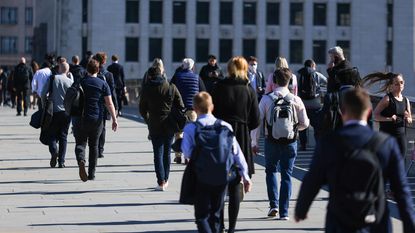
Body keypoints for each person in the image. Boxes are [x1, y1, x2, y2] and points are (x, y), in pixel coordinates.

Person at [295, 88, 415, 233]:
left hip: (339, 220)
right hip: (376, 221)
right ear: (369, 112)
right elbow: (401, 190)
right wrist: (409, 224)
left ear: (342, 112)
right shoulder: (386, 144)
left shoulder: (329, 143)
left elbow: (312, 180)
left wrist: (301, 209)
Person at [181, 91, 252, 233]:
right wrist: (246, 176)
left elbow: (187, 152)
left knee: (202, 216)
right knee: (216, 214)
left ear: (195, 109)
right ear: (212, 107)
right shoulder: (225, 126)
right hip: (222, 176)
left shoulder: (191, 128)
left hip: (201, 176)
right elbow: (237, 152)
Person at [251, 67, 309, 220]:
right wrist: (294, 129)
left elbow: (257, 122)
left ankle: (273, 206)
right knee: (287, 175)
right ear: (289, 81)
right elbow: (305, 123)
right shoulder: (296, 99)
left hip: (271, 141)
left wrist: (254, 142)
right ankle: (284, 212)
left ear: (274, 81)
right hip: (290, 142)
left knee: (270, 171)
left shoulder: (266, 99)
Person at [211, 56, 260, 233]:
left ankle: (220, 225)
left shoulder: (219, 87)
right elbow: (255, 120)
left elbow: (212, 113)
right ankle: (232, 227)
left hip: (222, 135)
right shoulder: (249, 90)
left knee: (221, 182)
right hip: (241, 136)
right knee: (237, 182)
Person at [139, 66, 184, 191]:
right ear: (162, 73)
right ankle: (166, 179)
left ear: (150, 76)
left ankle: (161, 181)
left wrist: (148, 119)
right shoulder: (171, 87)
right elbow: (180, 105)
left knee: (157, 153)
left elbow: (142, 109)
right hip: (169, 123)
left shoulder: (147, 89)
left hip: (154, 123)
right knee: (167, 153)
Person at [72, 59, 118, 182]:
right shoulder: (102, 83)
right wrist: (114, 119)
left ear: (87, 69)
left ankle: (81, 160)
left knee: (80, 143)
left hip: (81, 118)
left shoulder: (80, 82)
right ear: (98, 70)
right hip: (97, 119)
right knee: (94, 146)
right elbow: (109, 103)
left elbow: (71, 97)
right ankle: (91, 174)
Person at [362, 72, 412, 157]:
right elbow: (375, 116)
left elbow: (410, 119)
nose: (400, 85)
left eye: (401, 82)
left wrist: (408, 118)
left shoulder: (406, 100)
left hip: (401, 137)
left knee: (400, 162)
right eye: (396, 83)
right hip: (387, 137)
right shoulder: (387, 99)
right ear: (391, 85)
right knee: (386, 163)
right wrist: (389, 119)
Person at [170, 58, 206, 164]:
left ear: (182, 66)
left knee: (179, 132)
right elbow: (203, 92)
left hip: (179, 109)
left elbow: (170, 90)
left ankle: (178, 156)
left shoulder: (177, 76)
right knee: (190, 133)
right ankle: (187, 156)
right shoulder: (197, 77)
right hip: (193, 109)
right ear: (192, 67)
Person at [41, 62, 73, 168]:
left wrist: (44, 105)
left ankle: (54, 151)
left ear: (59, 68)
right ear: (67, 71)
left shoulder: (53, 78)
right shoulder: (70, 82)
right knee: (63, 136)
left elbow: (43, 94)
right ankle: (62, 161)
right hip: (66, 113)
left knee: (52, 134)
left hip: (53, 112)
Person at [297, 59, 327, 150]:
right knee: (317, 127)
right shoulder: (317, 74)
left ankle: (303, 145)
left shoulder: (299, 74)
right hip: (315, 104)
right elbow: (327, 82)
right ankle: (318, 146)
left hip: (302, 105)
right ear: (313, 66)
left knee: (303, 127)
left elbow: (295, 87)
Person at [94, 52, 118, 159]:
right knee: (102, 127)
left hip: (93, 103)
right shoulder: (108, 75)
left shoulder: (92, 71)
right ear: (104, 61)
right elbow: (112, 92)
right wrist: (115, 106)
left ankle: (94, 147)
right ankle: (100, 149)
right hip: (104, 104)